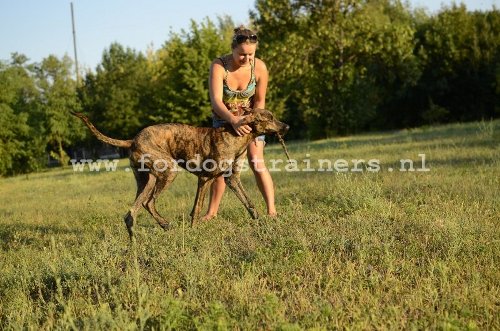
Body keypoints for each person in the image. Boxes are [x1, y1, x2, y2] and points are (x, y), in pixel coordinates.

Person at [203, 26, 276, 220]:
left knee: (256, 160)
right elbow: (216, 102)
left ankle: (271, 211)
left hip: (251, 122)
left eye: (250, 54)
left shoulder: (259, 68)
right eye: (242, 54)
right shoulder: (219, 66)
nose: (246, 59)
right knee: (220, 167)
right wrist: (234, 120)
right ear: (232, 49)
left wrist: (253, 126)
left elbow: (260, 101)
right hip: (224, 121)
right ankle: (211, 213)